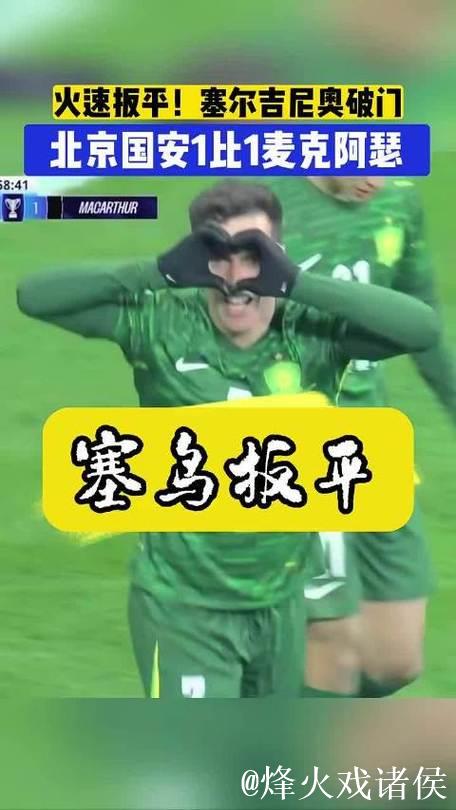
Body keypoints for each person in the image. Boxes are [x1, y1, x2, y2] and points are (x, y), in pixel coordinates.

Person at [17, 181, 439, 698]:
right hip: (182, 608)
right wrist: (158, 271)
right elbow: (35, 295)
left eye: (254, 255)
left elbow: (420, 328)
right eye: (217, 254)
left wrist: (297, 283)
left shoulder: (312, 333)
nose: (237, 277)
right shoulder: (161, 324)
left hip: (280, 604)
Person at [268, 175, 456, 697]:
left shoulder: (398, 200)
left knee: (394, 662)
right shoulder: (258, 201)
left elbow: (423, 322)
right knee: (331, 645)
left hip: (371, 450)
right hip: (288, 454)